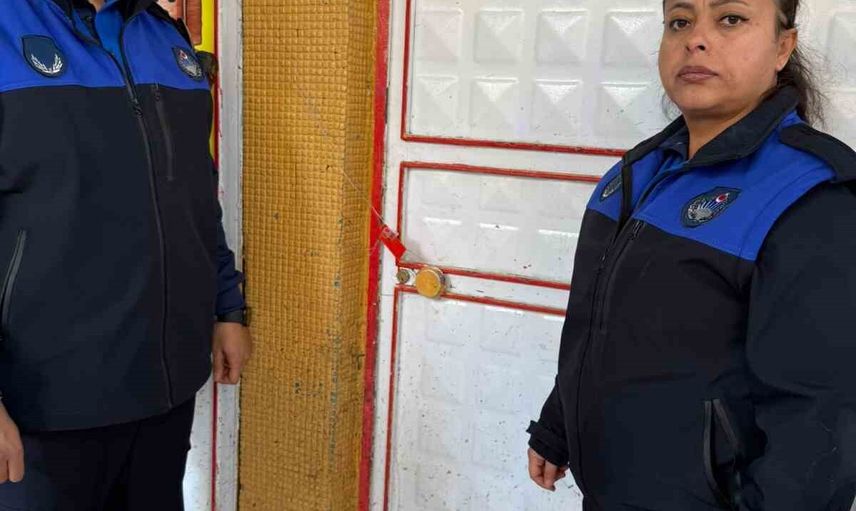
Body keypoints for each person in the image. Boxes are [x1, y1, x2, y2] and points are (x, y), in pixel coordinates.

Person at [527, 0, 856, 509]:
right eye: (680, 21)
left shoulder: (811, 195)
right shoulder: (637, 172)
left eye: (731, 19)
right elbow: (598, 325)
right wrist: (556, 425)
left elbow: (820, 420)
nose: (695, 39)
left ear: (782, 48)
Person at [0, 0, 253, 509]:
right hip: (44, 407)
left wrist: (227, 306)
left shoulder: (162, 35)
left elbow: (195, 193)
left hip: (165, 391)